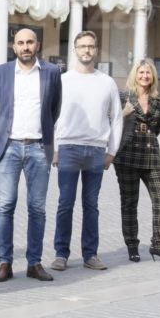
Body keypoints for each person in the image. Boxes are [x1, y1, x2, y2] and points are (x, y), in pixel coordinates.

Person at [0, 28, 62, 283]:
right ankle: (5, 263)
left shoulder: (51, 72)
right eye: (21, 42)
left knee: (37, 208)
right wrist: (2, 131)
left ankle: (34, 263)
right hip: (8, 147)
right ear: (14, 46)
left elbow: (55, 108)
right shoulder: (1, 72)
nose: (25, 47)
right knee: (5, 205)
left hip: (39, 147)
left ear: (37, 45)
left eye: (30, 42)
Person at [50, 30, 122, 272]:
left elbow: (117, 118)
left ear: (96, 50)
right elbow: (51, 116)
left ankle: (90, 254)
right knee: (65, 204)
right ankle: (61, 254)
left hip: (96, 150)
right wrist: (54, 148)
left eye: (90, 46)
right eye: (82, 46)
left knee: (91, 205)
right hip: (67, 148)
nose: (86, 50)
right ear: (75, 50)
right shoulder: (63, 80)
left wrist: (112, 151)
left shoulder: (107, 82)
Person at [114, 59, 160, 263]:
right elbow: (112, 123)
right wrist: (123, 114)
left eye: (148, 73)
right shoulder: (123, 96)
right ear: (135, 75)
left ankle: (158, 245)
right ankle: (132, 246)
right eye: (141, 72)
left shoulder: (157, 100)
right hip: (126, 155)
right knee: (129, 202)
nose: (144, 76)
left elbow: (157, 128)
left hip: (151, 155)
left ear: (153, 77)